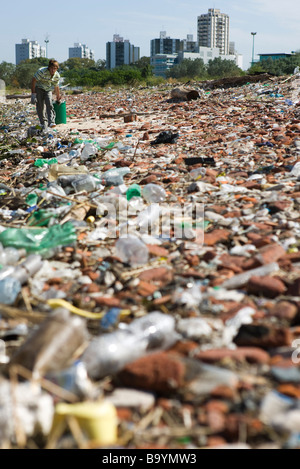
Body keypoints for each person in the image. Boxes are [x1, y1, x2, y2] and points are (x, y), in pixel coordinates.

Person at [31, 59, 61, 131]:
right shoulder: (42, 71)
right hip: (39, 88)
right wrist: (33, 93)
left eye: (55, 68)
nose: (53, 70)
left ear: (56, 69)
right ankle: (43, 123)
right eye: (51, 68)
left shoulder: (57, 75)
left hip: (48, 89)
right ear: (49, 67)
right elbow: (33, 80)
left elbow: (56, 86)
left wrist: (58, 96)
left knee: (49, 104)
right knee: (40, 106)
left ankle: (51, 122)